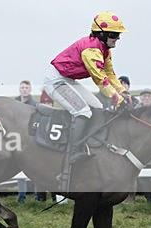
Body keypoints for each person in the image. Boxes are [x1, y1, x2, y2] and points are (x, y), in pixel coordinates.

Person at [43, 11, 132, 164]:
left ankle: (89, 142)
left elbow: (110, 74)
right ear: (101, 34)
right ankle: (72, 151)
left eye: (118, 34)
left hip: (67, 80)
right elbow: (100, 78)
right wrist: (117, 99)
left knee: (97, 106)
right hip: (55, 81)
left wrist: (123, 92)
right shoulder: (91, 50)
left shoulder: (105, 50)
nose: (117, 38)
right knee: (82, 111)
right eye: (114, 34)